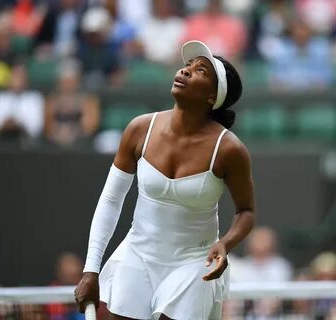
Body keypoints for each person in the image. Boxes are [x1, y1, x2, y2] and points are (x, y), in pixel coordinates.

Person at [74, 40, 256, 320]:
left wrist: (225, 244)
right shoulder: (139, 129)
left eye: (200, 71)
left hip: (194, 263)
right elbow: (111, 200)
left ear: (212, 97)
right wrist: (91, 269)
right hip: (137, 255)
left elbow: (246, 211)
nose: (185, 72)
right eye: (187, 66)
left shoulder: (229, 149)